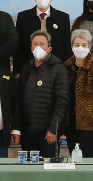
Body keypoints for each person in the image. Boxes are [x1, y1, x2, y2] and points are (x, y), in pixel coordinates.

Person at [17, 30, 70, 158]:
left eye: (42, 44)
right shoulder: (27, 67)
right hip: (28, 131)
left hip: (47, 133)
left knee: (48, 168)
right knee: (29, 168)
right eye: (35, 44)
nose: (38, 47)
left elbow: (62, 101)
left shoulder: (59, 69)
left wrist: (53, 130)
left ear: (49, 48)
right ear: (31, 47)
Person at [63, 29, 93, 158]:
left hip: (91, 125)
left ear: (89, 47)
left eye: (84, 45)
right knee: (73, 159)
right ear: (71, 46)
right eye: (77, 44)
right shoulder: (65, 68)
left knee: (87, 160)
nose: (80, 48)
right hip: (70, 124)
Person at [14, 0, 70, 75]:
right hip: (29, 69)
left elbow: (67, 48)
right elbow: (19, 47)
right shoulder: (23, 17)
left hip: (56, 70)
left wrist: (66, 72)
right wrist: (18, 73)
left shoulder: (63, 18)